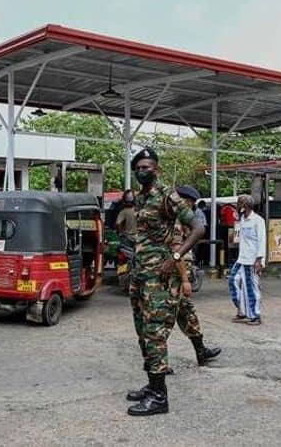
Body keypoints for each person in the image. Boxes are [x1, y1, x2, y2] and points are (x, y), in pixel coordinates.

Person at [125, 148, 205, 417]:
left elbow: (198, 228)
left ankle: (160, 397)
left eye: (147, 166)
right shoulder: (140, 197)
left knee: (155, 333)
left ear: (156, 169)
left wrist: (176, 256)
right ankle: (151, 385)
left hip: (160, 276)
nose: (142, 171)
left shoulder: (167, 195)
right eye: (138, 167)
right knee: (142, 332)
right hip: (141, 274)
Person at [168, 185, 221, 365]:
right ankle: (158, 362)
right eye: (189, 204)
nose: (190, 209)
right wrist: (184, 280)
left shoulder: (182, 221)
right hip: (174, 278)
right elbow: (176, 252)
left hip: (178, 276)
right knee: (165, 319)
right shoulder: (175, 220)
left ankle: (201, 350)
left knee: (187, 313)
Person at [228, 195, 266, 326]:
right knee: (232, 281)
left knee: (251, 289)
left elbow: (262, 241)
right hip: (241, 259)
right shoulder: (242, 220)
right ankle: (242, 311)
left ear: (246, 206)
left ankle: (255, 315)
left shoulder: (258, 221)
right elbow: (239, 238)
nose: (237, 206)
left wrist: (259, 260)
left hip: (252, 260)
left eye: (240, 204)